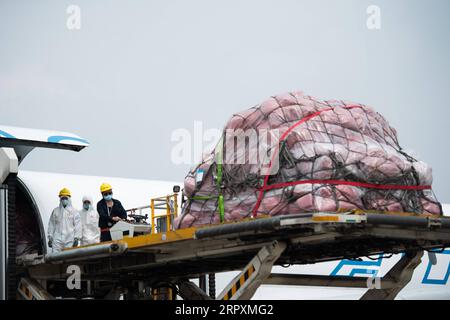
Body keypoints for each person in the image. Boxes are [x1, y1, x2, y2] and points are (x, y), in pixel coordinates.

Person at [47, 188, 82, 253]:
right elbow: (51, 224)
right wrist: (50, 237)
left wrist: (76, 238)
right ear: (60, 199)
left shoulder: (74, 212)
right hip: (57, 240)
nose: (64, 200)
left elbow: (78, 226)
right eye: (62, 198)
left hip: (69, 239)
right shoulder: (56, 211)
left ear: (69, 199)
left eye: (66, 198)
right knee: (56, 257)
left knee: (68, 257)